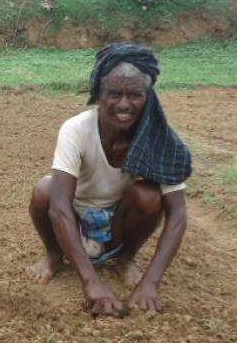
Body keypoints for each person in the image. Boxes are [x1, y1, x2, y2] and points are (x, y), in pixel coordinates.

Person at [25, 43, 192, 317]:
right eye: (114, 94)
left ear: (148, 97)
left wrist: (151, 283)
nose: (124, 105)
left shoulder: (160, 137)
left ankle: (125, 259)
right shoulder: (76, 129)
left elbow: (178, 215)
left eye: (135, 95)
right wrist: (91, 283)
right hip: (74, 217)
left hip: (119, 221)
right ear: (98, 95)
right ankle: (55, 255)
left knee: (149, 196)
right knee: (45, 190)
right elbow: (59, 208)